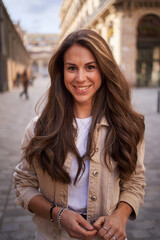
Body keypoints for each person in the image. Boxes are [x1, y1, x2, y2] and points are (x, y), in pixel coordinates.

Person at [13, 29, 146, 240]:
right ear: (61, 72)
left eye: (90, 67)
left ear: (103, 70)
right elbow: (23, 184)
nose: (80, 78)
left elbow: (135, 182)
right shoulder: (39, 128)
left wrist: (120, 216)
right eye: (72, 68)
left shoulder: (128, 125)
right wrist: (58, 215)